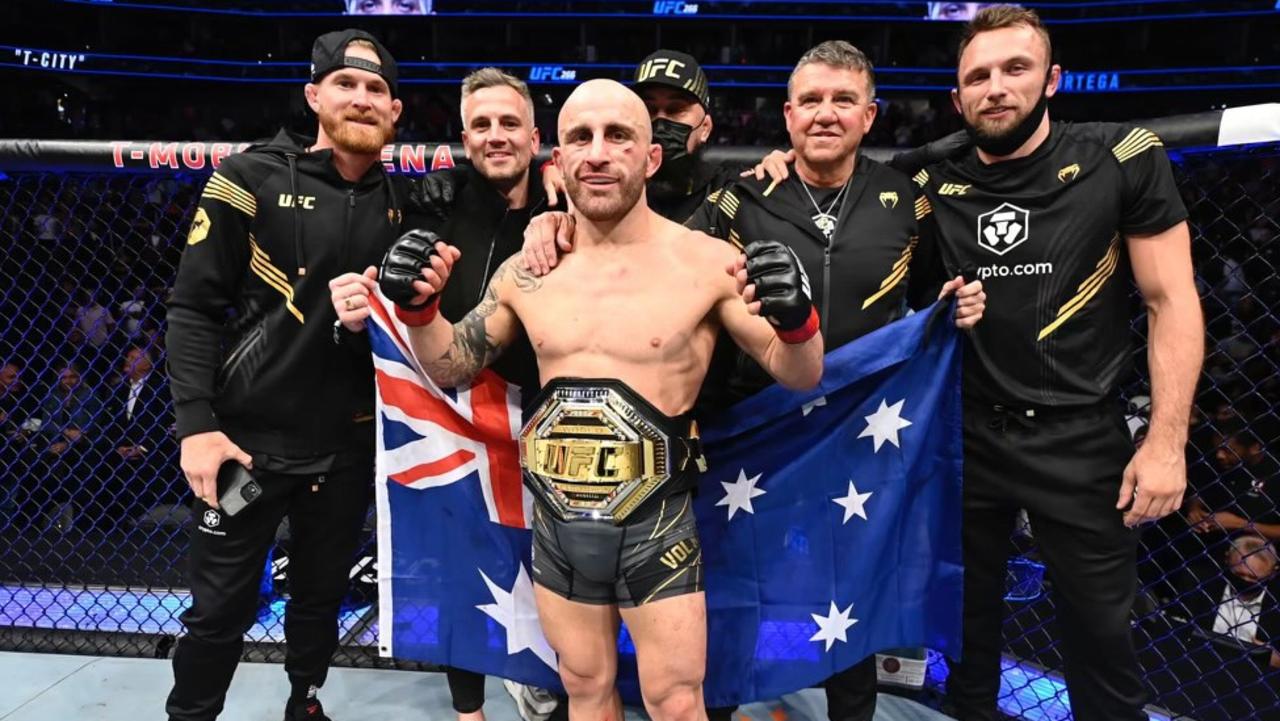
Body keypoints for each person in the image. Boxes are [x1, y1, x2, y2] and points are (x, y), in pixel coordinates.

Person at [520, 41, 985, 721]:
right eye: (812, 102)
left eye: (843, 100)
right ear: (788, 116)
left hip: (859, 431)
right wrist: (554, 219)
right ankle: (719, 705)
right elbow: (647, 253)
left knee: (847, 587)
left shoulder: (906, 200)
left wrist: (955, 306)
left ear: (870, 114)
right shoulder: (742, 197)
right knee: (733, 588)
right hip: (757, 431)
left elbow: (929, 292)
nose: (826, 114)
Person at [337, 78, 823, 721]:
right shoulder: (528, 270)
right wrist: (420, 309)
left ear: (650, 157)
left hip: (660, 530)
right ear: (558, 160)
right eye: (580, 138)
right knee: (585, 692)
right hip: (556, 527)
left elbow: (800, 372)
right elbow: (451, 363)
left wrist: (797, 322)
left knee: (677, 701)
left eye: (618, 135)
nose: (597, 153)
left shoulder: (708, 262)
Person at [915, 7, 1204, 720]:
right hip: (966, 434)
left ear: (1053, 79)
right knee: (965, 634)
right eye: (977, 76)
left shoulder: (1121, 155)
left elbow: (1172, 299)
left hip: (1079, 435)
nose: (995, 87)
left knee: (1103, 639)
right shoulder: (927, 172)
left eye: (1015, 68)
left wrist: (1166, 442)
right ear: (958, 97)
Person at [164, 29, 406, 721]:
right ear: (314, 95)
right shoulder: (248, 178)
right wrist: (198, 429)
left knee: (321, 594)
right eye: (346, 84)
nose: (361, 98)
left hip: (344, 449)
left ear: (395, 111)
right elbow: (191, 308)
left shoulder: (405, 204)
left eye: (376, 89)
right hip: (244, 449)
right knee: (222, 606)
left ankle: (305, 701)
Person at [334, 66, 550, 721]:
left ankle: (545, 678)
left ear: (536, 135)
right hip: (457, 414)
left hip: (546, 414)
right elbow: (386, 285)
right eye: (481, 125)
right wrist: (354, 307)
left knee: (556, 571)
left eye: (509, 122)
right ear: (464, 135)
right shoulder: (435, 205)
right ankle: (468, 711)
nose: (495, 136)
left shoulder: (565, 211)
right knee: (462, 562)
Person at [98, 345, 172, 531]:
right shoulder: (118, 389)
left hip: (153, 450)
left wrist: (143, 447)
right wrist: (118, 446)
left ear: (147, 365)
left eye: (134, 357)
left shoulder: (161, 388)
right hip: (121, 449)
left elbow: (163, 424)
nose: (128, 360)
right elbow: (109, 423)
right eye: (128, 356)